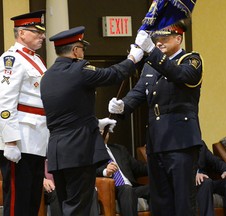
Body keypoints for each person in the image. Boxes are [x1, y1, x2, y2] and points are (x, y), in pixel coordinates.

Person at [40, 26, 143, 215]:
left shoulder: (47, 76)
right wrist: (132, 59)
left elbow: (68, 113)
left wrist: (95, 123)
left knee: (66, 205)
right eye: (82, 48)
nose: (83, 52)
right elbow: (112, 75)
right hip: (78, 150)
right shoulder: (79, 69)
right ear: (75, 50)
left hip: (57, 151)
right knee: (80, 207)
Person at [108, 21, 204, 216]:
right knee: (160, 201)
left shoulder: (191, 60)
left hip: (180, 142)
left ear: (179, 38)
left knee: (184, 201)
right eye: (156, 40)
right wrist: (122, 106)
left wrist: (151, 51)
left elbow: (178, 74)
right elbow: (138, 93)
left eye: (164, 38)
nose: (159, 43)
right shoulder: (150, 67)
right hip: (156, 141)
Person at [0, 10, 49, 216]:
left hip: (38, 138)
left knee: (32, 200)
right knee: (17, 203)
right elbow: (5, 102)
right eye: (36, 32)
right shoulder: (11, 59)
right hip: (20, 138)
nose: (42, 36)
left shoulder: (36, 59)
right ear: (21, 33)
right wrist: (10, 141)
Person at [96, 132, 149, 216]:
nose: (103, 132)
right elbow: (89, 172)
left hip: (131, 188)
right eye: (100, 129)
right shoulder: (90, 152)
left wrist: (155, 162)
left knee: (154, 188)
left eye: (105, 129)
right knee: (126, 189)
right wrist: (105, 171)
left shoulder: (119, 149)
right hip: (112, 190)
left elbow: (138, 168)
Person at [196, 142, 226, 216]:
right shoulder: (178, 146)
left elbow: (215, 161)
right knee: (205, 181)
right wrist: (193, 174)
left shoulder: (200, 144)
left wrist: (225, 171)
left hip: (207, 182)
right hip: (190, 184)